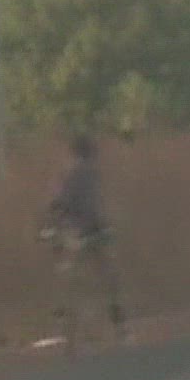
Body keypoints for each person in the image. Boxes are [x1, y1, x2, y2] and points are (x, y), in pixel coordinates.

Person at [44, 135, 126, 345]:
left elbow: (57, 205)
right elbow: (97, 207)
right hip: (92, 231)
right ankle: (119, 325)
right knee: (109, 278)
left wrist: (54, 227)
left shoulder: (67, 175)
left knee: (67, 275)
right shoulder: (91, 175)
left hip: (76, 233)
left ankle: (62, 318)